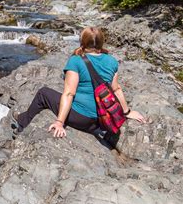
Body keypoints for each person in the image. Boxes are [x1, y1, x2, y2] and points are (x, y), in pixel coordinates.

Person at [11, 27, 145, 144]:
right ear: (101, 42)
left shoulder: (76, 61)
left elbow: (69, 93)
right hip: (100, 119)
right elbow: (116, 89)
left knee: (43, 93)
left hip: (80, 118)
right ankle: (94, 129)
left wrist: (59, 122)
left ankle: (22, 123)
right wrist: (127, 112)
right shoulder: (112, 61)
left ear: (82, 42)